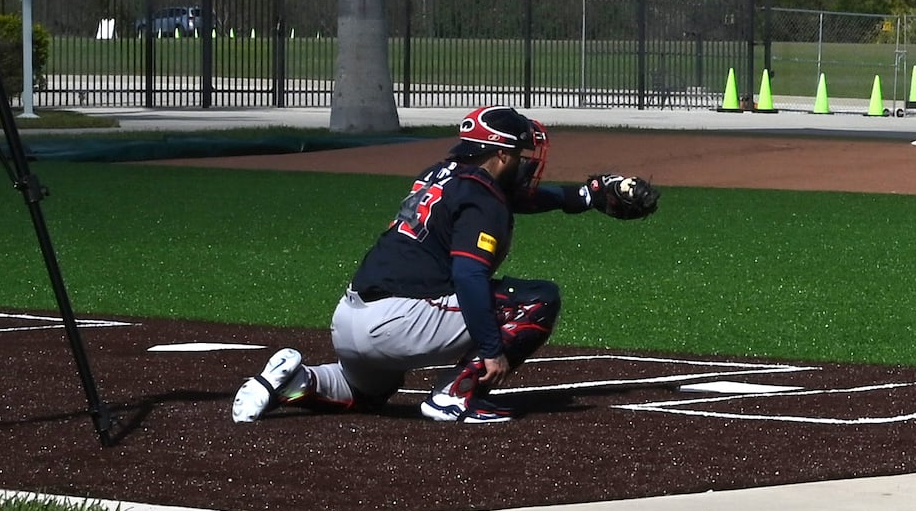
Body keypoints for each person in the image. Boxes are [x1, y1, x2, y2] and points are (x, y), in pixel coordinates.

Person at [229, 107, 657, 428]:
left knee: (368, 392)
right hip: (396, 321)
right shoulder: (484, 197)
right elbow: (468, 275)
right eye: (522, 154)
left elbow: (521, 199)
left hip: (350, 320)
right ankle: (455, 396)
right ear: (502, 156)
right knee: (537, 301)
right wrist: (491, 349)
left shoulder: (444, 174)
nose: (528, 162)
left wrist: (584, 197)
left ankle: (295, 380)